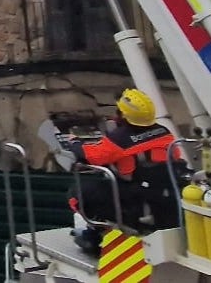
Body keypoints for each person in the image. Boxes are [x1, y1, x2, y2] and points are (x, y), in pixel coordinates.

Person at [63, 89, 178, 254]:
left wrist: (74, 143)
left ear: (124, 115)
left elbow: (93, 156)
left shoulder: (120, 138)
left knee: (77, 193)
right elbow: (175, 156)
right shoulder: (164, 131)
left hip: (133, 196)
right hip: (163, 195)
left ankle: (97, 233)